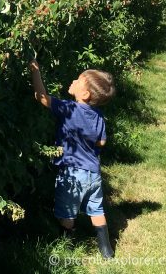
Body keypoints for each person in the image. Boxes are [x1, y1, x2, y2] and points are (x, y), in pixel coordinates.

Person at [29, 59, 115, 258]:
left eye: (78, 80)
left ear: (85, 94)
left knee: (68, 212)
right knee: (97, 210)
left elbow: (42, 98)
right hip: (93, 173)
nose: (74, 80)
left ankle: (65, 245)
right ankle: (106, 249)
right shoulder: (99, 116)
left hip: (72, 173)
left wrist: (35, 71)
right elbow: (102, 142)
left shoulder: (69, 109)